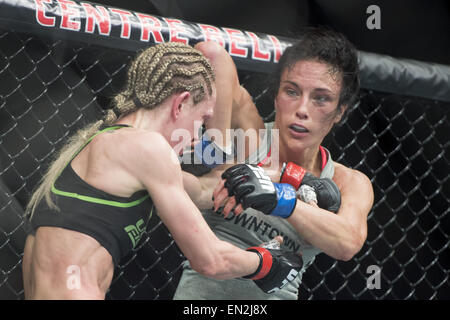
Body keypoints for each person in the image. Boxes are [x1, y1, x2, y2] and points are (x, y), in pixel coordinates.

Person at [21, 42, 303, 300]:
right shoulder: (148, 148)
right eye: (202, 119)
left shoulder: (110, 144)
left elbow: (204, 190)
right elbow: (210, 260)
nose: (197, 135)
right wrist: (266, 261)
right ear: (180, 104)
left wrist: (278, 177)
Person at [173, 27, 374, 300]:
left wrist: (280, 189)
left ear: (340, 111)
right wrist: (218, 144)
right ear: (277, 96)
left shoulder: (348, 181)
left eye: (321, 98)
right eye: (292, 92)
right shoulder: (250, 138)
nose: (302, 109)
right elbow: (209, 53)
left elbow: (347, 242)